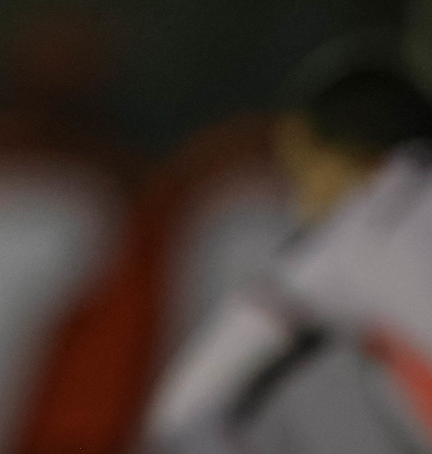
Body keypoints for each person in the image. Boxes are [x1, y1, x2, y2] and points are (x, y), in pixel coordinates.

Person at [144, 42, 432, 453]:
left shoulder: (351, 238)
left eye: (302, 170)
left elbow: (183, 412)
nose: (299, 201)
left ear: (342, 157)